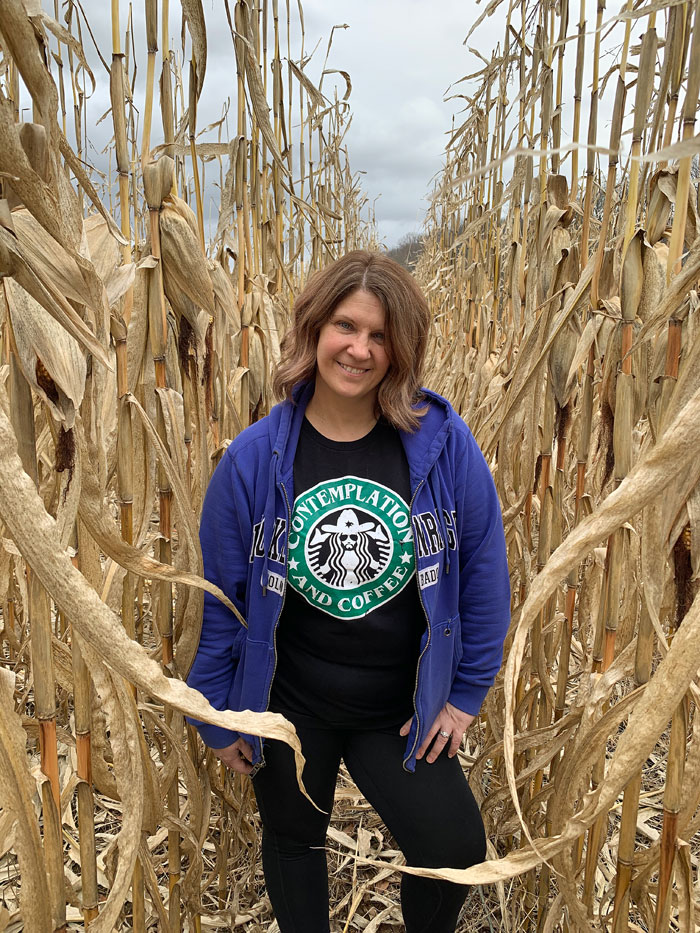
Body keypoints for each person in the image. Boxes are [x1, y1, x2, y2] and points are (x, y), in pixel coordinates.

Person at [186, 250, 510, 933]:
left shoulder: (443, 447)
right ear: (314, 329)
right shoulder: (252, 459)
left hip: (397, 706)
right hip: (290, 700)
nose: (359, 349)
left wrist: (465, 692)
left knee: (452, 848)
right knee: (294, 840)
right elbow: (224, 598)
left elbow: (483, 570)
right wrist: (217, 713)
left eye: (380, 335)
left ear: (401, 350)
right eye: (346, 325)